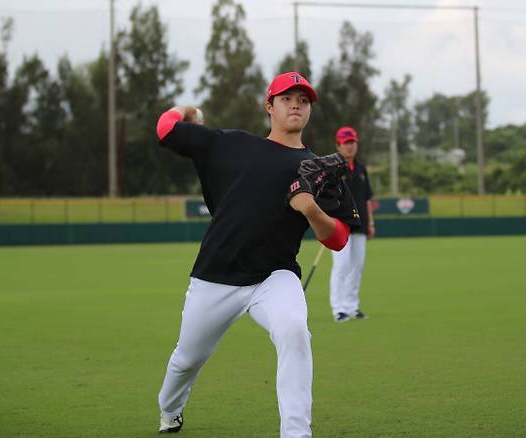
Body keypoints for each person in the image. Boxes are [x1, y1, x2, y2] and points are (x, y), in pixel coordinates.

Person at [154, 72, 359, 437]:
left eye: (304, 99)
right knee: (187, 360)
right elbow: (166, 129)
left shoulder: (319, 171)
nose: (296, 104)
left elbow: (339, 239)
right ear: (269, 106)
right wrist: (188, 110)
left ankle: (296, 432)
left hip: (274, 276)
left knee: (294, 330)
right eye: (287, 98)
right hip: (216, 276)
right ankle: (170, 410)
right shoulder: (231, 145)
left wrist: (311, 210)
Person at [329, 126, 376, 323]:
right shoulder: (332, 168)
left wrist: (371, 223)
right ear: (338, 145)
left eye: (353, 142)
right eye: (346, 143)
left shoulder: (362, 169)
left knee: (357, 266)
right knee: (342, 266)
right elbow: (327, 197)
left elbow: (367, 198)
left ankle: (352, 306)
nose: (350, 146)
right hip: (340, 225)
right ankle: (338, 308)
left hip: (360, 225)